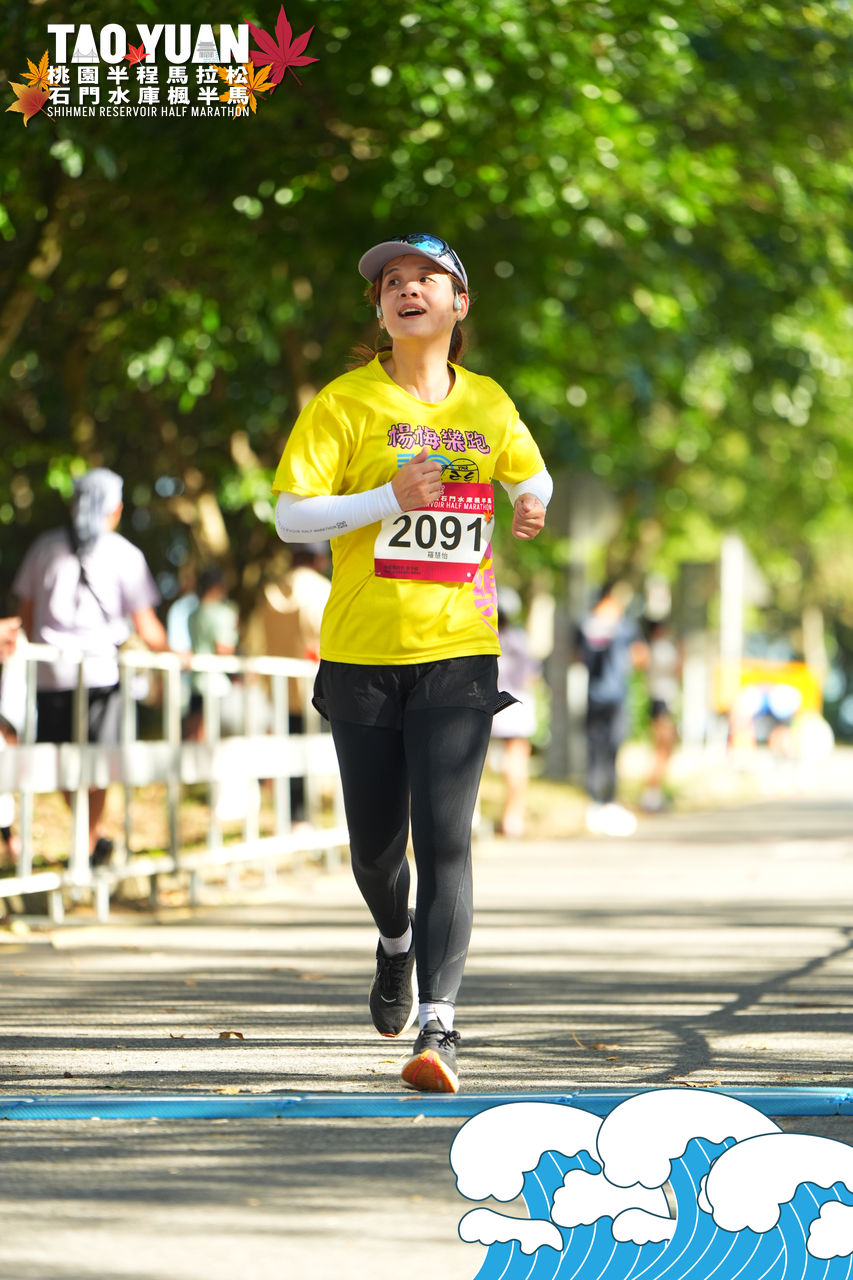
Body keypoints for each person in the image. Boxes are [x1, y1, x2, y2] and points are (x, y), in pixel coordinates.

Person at [271, 231, 552, 1092]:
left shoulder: (488, 402)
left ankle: (439, 1025)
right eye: (392, 280)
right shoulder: (345, 402)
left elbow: (529, 472)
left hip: (458, 649)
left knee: (444, 838)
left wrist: (529, 499)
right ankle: (394, 941)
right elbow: (289, 516)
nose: (407, 288)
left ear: (458, 304)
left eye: (427, 277)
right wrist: (385, 499)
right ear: (381, 309)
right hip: (361, 651)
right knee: (374, 851)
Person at [12, 468, 168, 865]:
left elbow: (25, 615)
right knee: (99, 765)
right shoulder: (124, 554)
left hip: (49, 674)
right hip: (102, 677)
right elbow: (147, 626)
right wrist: (173, 657)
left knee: (61, 762)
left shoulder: (44, 548)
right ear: (115, 510)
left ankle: (87, 843)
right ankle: (88, 844)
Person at [247, 543, 331, 822]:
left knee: (290, 753)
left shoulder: (271, 591)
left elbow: (256, 639)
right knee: (310, 754)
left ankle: (293, 817)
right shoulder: (322, 590)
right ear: (318, 558)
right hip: (316, 689)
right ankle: (305, 819)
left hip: (280, 690)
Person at [576, 581, 646, 837]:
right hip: (609, 696)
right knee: (605, 750)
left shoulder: (591, 624)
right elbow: (640, 656)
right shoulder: (618, 626)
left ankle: (602, 800)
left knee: (602, 750)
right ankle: (601, 800)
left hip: (602, 696)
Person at [491, 587, 540, 837]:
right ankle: (513, 816)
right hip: (517, 704)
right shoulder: (520, 639)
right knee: (518, 760)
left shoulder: (487, 638)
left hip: (492, 703)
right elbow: (532, 676)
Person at [185, 565, 239, 741]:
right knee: (212, 740)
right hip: (217, 685)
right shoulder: (223, 613)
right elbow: (224, 648)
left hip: (196, 681)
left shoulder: (193, 615)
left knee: (194, 736)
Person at [640, 617, 681, 812]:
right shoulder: (660, 649)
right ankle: (651, 794)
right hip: (661, 702)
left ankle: (654, 793)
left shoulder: (653, 649)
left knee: (665, 749)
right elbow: (676, 669)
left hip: (661, 702)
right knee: (662, 749)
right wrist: (682, 652)